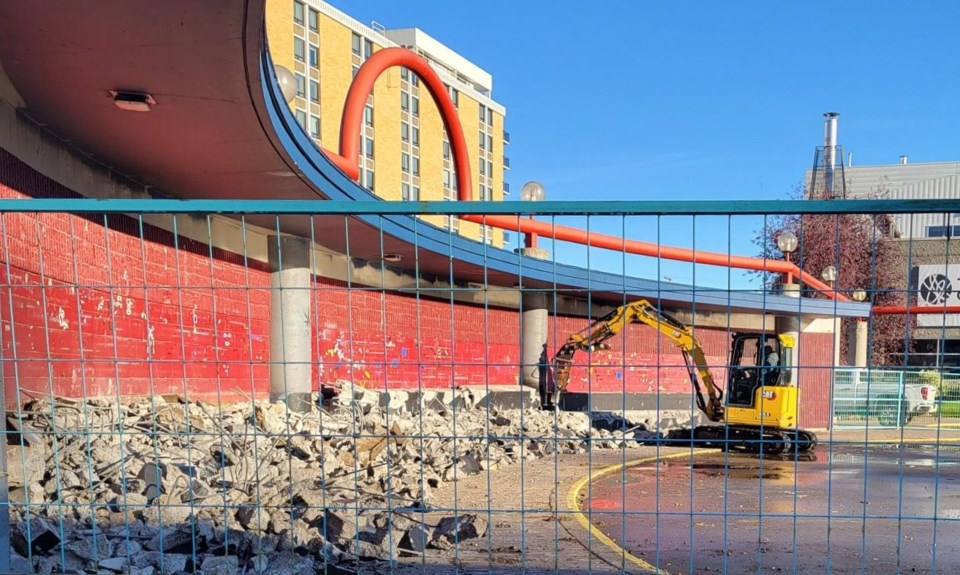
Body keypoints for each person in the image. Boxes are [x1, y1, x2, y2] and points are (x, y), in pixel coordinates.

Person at [538, 343, 556, 409]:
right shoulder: (543, 355)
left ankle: (548, 402)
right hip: (543, 373)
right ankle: (545, 403)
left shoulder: (545, 355)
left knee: (547, 386)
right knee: (543, 386)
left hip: (546, 374)